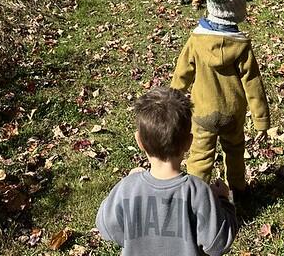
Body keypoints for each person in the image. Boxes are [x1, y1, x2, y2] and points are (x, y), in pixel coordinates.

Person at [96, 87, 238, 256]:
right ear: (188, 142)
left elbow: (106, 227)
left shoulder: (127, 188)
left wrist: (129, 182)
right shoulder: (198, 192)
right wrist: (224, 201)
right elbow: (218, 244)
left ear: (139, 141)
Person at [171, 0, 271, 198]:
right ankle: (238, 191)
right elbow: (253, 85)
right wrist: (261, 120)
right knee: (234, 152)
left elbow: (181, 75)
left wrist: (171, 104)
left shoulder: (196, 41)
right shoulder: (242, 47)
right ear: (238, 9)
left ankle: (195, 198)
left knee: (200, 156)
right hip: (232, 114)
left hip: (202, 112)